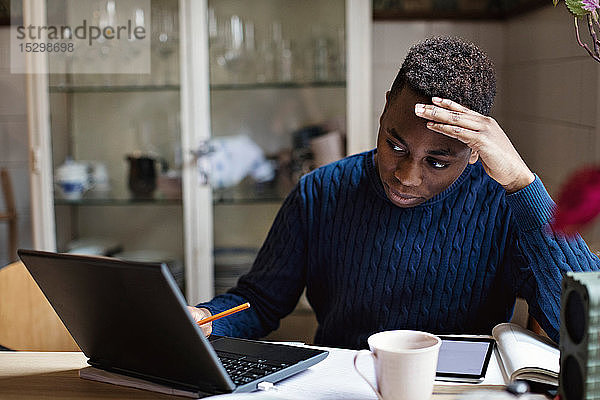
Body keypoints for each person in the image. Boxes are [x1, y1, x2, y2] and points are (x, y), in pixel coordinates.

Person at [188, 36, 600, 349]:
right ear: (385, 109)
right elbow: (258, 302)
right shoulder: (320, 191)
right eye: (394, 145)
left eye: (437, 162)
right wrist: (206, 318)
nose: (406, 175)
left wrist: (522, 186)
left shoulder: (505, 207)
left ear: (474, 151)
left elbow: (588, 328)